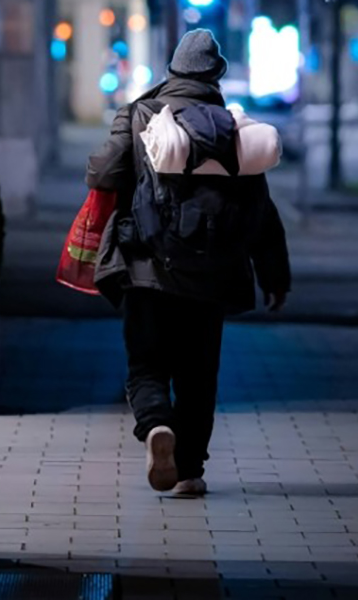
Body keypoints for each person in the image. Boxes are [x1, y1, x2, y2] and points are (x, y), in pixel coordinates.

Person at [85, 29, 291, 496]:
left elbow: (102, 172)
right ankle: (189, 471)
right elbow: (261, 210)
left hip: (147, 267)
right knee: (199, 374)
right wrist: (275, 276)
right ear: (216, 76)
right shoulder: (233, 130)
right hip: (212, 274)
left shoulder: (141, 115)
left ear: (172, 71)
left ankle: (157, 424)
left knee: (147, 363)